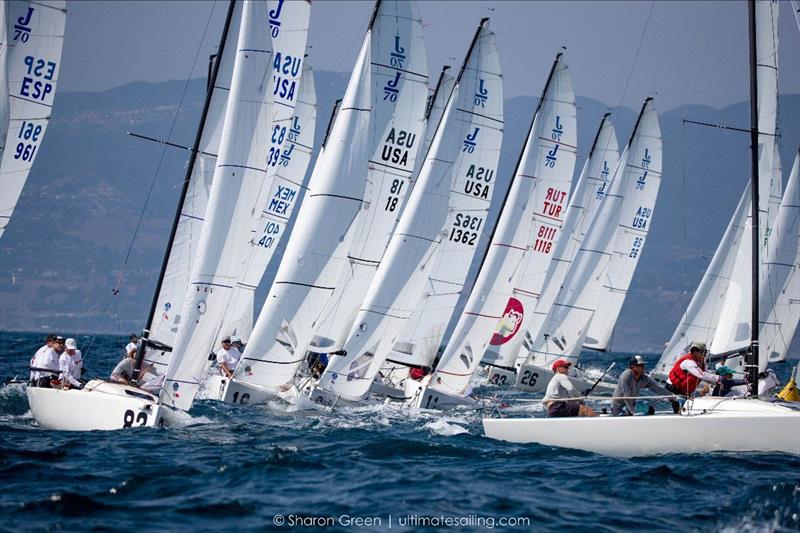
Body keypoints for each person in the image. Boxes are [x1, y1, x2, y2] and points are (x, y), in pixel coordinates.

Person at [612, 355, 678, 415]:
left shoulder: (644, 378)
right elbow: (626, 396)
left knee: (650, 410)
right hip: (618, 406)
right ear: (633, 367)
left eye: (643, 365)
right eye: (640, 365)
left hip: (632, 405)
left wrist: (671, 396)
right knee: (623, 414)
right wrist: (633, 412)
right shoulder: (625, 376)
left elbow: (658, 388)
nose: (643, 367)